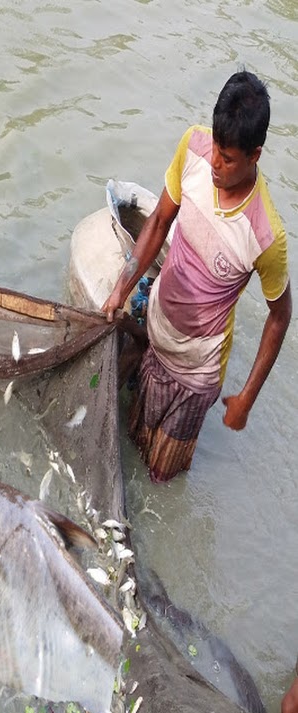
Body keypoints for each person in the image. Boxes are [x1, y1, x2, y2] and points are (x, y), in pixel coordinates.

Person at [102, 70, 291, 483]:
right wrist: (122, 288)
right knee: (132, 441)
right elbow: (157, 223)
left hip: (196, 370)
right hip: (157, 331)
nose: (216, 166)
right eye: (217, 151)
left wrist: (246, 399)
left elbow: (280, 316)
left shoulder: (265, 235)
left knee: (159, 476)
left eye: (228, 159)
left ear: (255, 156)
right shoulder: (194, 147)